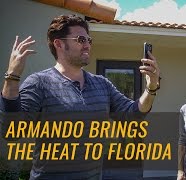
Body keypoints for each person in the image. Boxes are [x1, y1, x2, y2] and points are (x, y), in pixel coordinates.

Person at [0, 14, 160, 179]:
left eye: (89, 41)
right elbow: (12, 132)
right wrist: (12, 77)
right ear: (59, 44)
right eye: (81, 39)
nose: (87, 45)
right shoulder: (39, 83)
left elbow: (133, 114)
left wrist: (151, 88)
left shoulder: (102, 84)